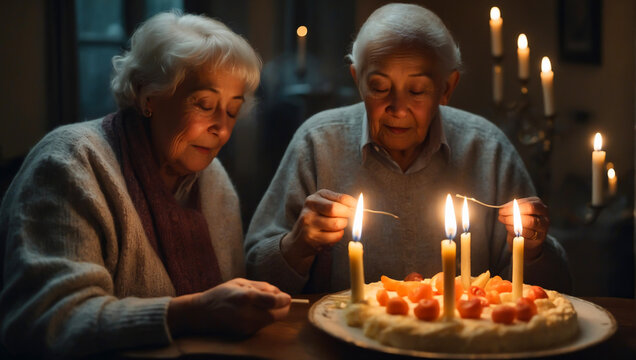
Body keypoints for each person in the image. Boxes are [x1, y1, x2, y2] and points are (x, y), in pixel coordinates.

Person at [0, 12, 290, 358]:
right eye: (205, 104)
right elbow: (47, 321)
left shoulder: (214, 182)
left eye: (231, 110)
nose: (221, 129)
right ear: (147, 96)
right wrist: (190, 313)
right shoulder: (71, 162)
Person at [245, 3, 571, 295]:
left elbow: (553, 292)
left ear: (447, 87)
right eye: (379, 87)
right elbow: (254, 274)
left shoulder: (487, 149)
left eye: (417, 90)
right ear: (357, 80)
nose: (398, 108)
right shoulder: (318, 143)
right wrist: (297, 245)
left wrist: (534, 250)